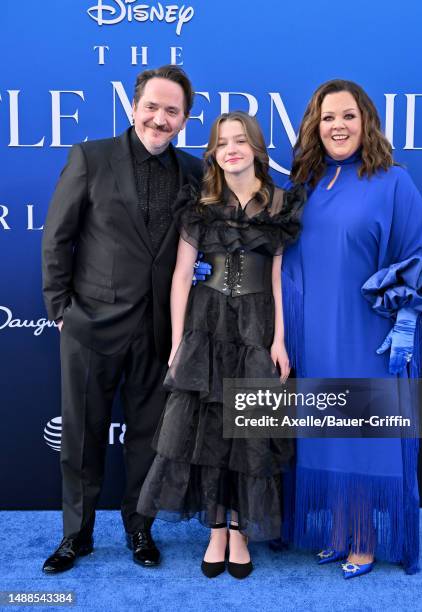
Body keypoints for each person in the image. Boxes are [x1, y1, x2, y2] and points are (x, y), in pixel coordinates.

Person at [282, 79, 422, 577]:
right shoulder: (306, 185)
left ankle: (364, 536)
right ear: (313, 127)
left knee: (364, 434)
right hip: (314, 334)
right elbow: (282, 257)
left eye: (347, 116)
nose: (337, 126)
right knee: (326, 432)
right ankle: (339, 529)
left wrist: (406, 320)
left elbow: (418, 256)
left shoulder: (393, 181)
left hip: (368, 334)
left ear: (366, 122)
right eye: (327, 118)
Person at [41, 65, 206, 573]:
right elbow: (57, 238)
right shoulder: (90, 158)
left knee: (147, 440)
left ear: (184, 119)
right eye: (152, 106)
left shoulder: (194, 172)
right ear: (133, 107)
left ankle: (139, 528)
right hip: (91, 324)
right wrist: (60, 311)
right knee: (82, 436)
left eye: (171, 111)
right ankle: (77, 535)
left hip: (159, 330)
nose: (160, 118)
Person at [136, 111, 304, 579]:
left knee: (249, 428)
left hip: (255, 325)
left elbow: (277, 276)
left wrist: (279, 340)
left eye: (240, 141)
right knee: (208, 429)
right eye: (222, 142)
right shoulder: (200, 203)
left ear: (255, 148)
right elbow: (181, 275)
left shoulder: (279, 204)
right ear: (213, 152)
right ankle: (216, 527)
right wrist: (176, 342)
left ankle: (241, 528)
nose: (231, 149)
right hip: (205, 325)